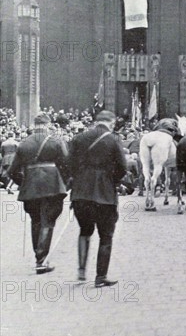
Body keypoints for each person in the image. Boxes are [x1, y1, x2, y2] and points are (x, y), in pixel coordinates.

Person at [69, 110, 127, 287]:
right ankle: (100, 277)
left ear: (96, 122)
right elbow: (122, 167)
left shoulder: (79, 138)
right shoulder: (113, 140)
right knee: (106, 235)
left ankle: (81, 270)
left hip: (81, 192)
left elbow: (68, 163)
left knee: (84, 231)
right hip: (104, 194)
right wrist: (113, 181)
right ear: (111, 122)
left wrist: (78, 178)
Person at [7, 113, 69, 274]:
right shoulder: (56, 141)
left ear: (34, 125)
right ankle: (41, 260)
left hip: (31, 187)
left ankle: (38, 256)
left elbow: (12, 171)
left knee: (35, 221)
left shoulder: (23, 144)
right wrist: (64, 182)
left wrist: (23, 183)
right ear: (48, 125)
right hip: (52, 185)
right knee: (48, 221)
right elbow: (66, 164)